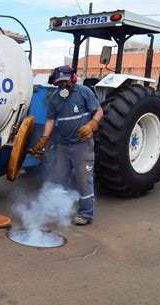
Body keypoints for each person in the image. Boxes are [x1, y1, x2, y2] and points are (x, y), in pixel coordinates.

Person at [32, 65, 103, 225]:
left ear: (73, 78)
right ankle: (58, 208)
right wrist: (43, 139)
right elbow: (50, 120)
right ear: (56, 84)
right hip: (63, 145)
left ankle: (85, 213)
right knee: (59, 178)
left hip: (82, 145)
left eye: (66, 81)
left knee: (84, 179)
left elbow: (99, 110)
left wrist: (92, 124)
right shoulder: (55, 98)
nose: (63, 85)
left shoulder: (84, 92)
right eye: (60, 82)